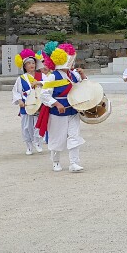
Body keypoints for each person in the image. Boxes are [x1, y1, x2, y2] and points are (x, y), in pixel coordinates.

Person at [36, 42, 86, 173]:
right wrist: (56, 104)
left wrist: (83, 77)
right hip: (57, 112)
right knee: (57, 138)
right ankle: (56, 161)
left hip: (73, 109)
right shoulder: (53, 76)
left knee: (74, 135)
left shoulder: (74, 75)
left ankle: (74, 163)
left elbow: (83, 89)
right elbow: (44, 94)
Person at [11, 48, 43, 155]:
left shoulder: (41, 76)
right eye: (28, 63)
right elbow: (16, 91)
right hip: (25, 104)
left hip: (38, 104)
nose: (31, 65)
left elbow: (47, 88)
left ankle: (37, 142)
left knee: (37, 125)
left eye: (33, 63)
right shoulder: (21, 79)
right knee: (26, 126)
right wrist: (19, 100)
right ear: (24, 66)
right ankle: (28, 145)